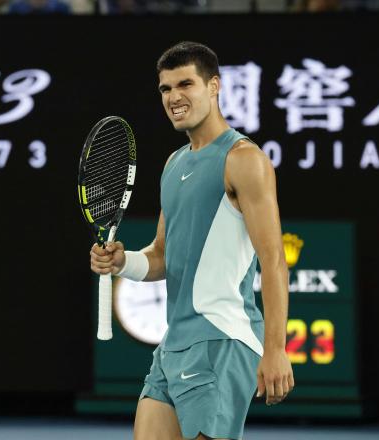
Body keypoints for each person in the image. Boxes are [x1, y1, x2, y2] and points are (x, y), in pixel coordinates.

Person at [90, 41, 294, 440]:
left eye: (186, 84)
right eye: (165, 89)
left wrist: (276, 348)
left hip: (221, 339)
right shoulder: (173, 163)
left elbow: (273, 261)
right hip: (174, 344)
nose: (174, 97)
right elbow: (162, 255)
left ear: (214, 86)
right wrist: (122, 262)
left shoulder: (244, 159)